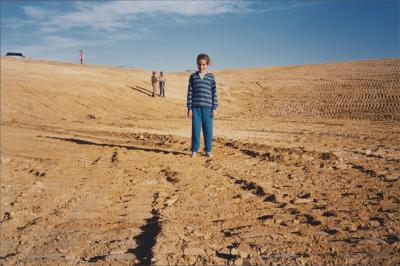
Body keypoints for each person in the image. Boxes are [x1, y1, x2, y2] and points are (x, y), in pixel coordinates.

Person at [187, 53, 218, 158]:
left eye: (204, 64)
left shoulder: (211, 77)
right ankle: (194, 150)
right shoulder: (193, 77)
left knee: (208, 130)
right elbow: (190, 93)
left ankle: (208, 150)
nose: (201, 67)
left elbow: (214, 93)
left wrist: (214, 108)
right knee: (195, 130)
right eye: (199, 64)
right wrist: (189, 108)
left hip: (208, 109)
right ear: (197, 64)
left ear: (207, 64)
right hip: (195, 109)